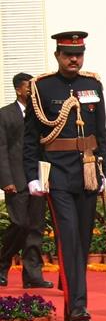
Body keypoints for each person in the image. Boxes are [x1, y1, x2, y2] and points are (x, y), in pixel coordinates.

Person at [24, 32, 106, 321]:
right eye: (68, 54)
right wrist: (32, 176)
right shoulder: (42, 87)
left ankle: (72, 285)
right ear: (58, 56)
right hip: (58, 174)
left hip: (87, 171)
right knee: (69, 237)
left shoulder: (92, 84)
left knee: (83, 240)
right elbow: (31, 139)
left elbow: (101, 133)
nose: (74, 59)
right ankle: (77, 306)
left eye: (79, 54)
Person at [0, 73, 53, 289]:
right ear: (18, 90)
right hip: (16, 179)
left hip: (38, 178)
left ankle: (32, 275)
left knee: (36, 228)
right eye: (28, 88)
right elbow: (1, 149)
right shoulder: (5, 115)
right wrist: (5, 180)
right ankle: (2, 263)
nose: (32, 91)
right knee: (20, 224)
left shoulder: (41, 114)